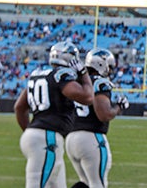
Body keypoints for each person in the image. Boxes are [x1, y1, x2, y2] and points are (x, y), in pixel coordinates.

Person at [14, 41, 94, 188]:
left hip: (38, 135)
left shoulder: (38, 74)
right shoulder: (61, 75)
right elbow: (88, 97)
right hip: (47, 137)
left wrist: (30, 132)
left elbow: (19, 107)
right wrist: (84, 74)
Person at [65, 48, 129, 188]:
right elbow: (104, 114)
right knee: (97, 184)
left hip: (71, 138)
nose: (110, 71)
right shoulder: (99, 82)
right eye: (109, 67)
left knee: (85, 183)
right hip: (91, 138)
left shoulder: (76, 81)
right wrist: (119, 107)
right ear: (101, 64)